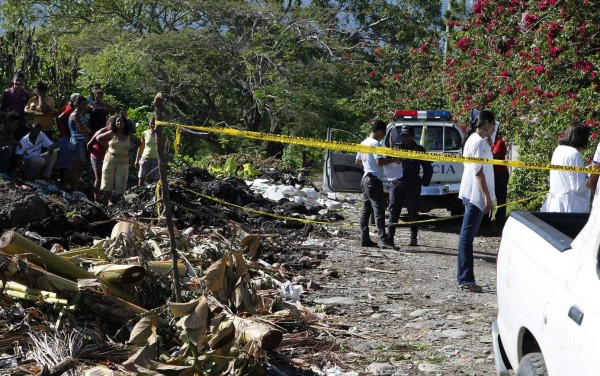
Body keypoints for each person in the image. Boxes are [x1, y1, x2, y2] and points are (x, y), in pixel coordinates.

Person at [457, 110, 496, 293]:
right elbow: (479, 172)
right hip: (475, 194)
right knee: (467, 237)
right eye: (493, 124)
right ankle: (466, 278)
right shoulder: (478, 142)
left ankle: (465, 278)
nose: (495, 128)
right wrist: (487, 198)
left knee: (467, 237)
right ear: (486, 123)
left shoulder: (475, 140)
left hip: (471, 192)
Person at [387, 125, 433, 246]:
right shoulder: (396, 148)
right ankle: (390, 238)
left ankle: (413, 238)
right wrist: (391, 149)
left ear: (412, 136)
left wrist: (424, 181)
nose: (405, 138)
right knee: (394, 211)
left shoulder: (419, 149)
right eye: (403, 136)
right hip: (397, 183)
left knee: (413, 212)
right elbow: (387, 160)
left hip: (412, 184)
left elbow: (428, 167)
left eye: (407, 136)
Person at [355, 120, 397, 249]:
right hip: (373, 180)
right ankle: (384, 240)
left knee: (366, 209)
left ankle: (365, 238)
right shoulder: (375, 144)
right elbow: (379, 162)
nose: (383, 136)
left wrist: (368, 166)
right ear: (379, 131)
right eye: (383, 133)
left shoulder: (363, 143)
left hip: (365, 178)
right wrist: (393, 160)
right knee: (379, 210)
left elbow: (357, 162)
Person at [541, 123, 591, 213]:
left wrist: (585, 172)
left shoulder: (559, 149)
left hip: (555, 204)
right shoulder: (574, 154)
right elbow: (578, 187)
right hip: (570, 207)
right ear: (581, 138)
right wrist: (590, 177)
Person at [96, 114, 140, 205]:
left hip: (123, 163)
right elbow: (98, 138)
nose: (119, 123)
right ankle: (105, 206)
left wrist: (130, 150)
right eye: (117, 121)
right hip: (109, 161)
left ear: (125, 123)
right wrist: (106, 147)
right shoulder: (112, 133)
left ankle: (120, 206)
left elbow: (139, 142)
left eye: (122, 121)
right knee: (107, 184)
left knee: (121, 185)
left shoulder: (128, 135)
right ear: (115, 123)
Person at [88, 116, 113, 202]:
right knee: (98, 178)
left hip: (108, 157)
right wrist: (93, 154)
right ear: (108, 123)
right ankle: (96, 200)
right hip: (97, 155)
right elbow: (89, 144)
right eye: (111, 123)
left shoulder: (116, 132)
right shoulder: (102, 131)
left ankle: (108, 200)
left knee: (108, 178)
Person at [68, 95, 90, 192]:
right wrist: (87, 130)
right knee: (76, 168)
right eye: (84, 104)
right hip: (76, 143)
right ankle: (74, 189)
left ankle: (75, 188)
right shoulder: (75, 115)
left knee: (79, 167)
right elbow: (82, 129)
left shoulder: (79, 114)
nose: (85, 106)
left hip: (80, 143)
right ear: (77, 104)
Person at [1, 72, 30, 140]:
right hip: (9, 125)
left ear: (23, 81)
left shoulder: (26, 94)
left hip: (22, 124)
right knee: (10, 145)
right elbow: (2, 110)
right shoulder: (7, 93)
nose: (18, 82)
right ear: (13, 80)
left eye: (21, 80)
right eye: (17, 80)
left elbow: (28, 109)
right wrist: (10, 113)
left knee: (21, 145)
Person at [135, 117, 163, 185]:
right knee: (141, 178)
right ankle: (140, 193)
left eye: (154, 123)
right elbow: (141, 147)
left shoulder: (160, 134)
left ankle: (154, 194)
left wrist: (162, 159)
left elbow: (164, 147)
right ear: (149, 123)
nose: (153, 125)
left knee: (155, 180)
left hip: (156, 159)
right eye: (151, 123)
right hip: (145, 158)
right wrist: (137, 159)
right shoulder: (145, 133)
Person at [491, 131, 509, 226]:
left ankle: (500, 220)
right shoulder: (490, 141)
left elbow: (493, 156)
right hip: (492, 174)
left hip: (500, 174)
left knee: (501, 197)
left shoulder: (499, 142)